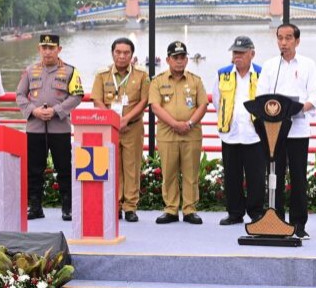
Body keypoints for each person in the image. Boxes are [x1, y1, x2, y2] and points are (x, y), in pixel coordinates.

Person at [256, 23, 316, 240]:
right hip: (274, 132)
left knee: (298, 178)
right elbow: (260, 95)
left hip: (298, 130)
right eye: (280, 38)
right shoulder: (269, 66)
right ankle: (277, 221)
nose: (283, 43)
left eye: (288, 38)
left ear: (297, 41)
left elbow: (314, 95)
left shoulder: (308, 65)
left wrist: (298, 108)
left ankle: (298, 224)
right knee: (275, 176)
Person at [16, 34, 84, 221]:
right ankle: (35, 206)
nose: (47, 52)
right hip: (35, 127)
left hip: (59, 127)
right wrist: (33, 111)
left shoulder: (71, 71)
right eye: (44, 48)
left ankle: (67, 207)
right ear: (39, 49)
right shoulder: (30, 71)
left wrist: (57, 110)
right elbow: (20, 95)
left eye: (51, 48)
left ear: (59, 49)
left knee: (64, 168)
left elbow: (77, 95)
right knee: (34, 169)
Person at [149, 41, 208, 225]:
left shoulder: (195, 80)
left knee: (191, 173)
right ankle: (171, 209)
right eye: (175, 58)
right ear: (167, 59)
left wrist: (189, 124)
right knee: (169, 172)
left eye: (183, 57)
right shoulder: (158, 81)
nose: (179, 61)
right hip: (168, 133)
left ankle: (190, 209)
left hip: (191, 133)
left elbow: (203, 105)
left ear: (187, 59)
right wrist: (175, 124)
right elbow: (155, 107)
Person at [91, 37, 150, 223]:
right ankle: (114, 205)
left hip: (132, 127)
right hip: (109, 128)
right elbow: (97, 99)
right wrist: (111, 118)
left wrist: (125, 119)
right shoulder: (102, 75)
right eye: (118, 52)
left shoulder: (141, 75)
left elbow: (144, 101)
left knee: (132, 167)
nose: (122, 56)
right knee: (111, 166)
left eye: (126, 53)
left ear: (132, 55)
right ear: (112, 53)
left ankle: (130, 207)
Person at [212, 36, 265, 225]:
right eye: (235, 53)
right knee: (232, 177)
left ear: (252, 53)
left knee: (256, 177)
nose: (237, 56)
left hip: (255, 135)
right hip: (231, 134)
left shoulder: (262, 73)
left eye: (242, 53)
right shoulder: (222, 74)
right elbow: (217, 101)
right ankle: (235, 213)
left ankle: (256, 212)